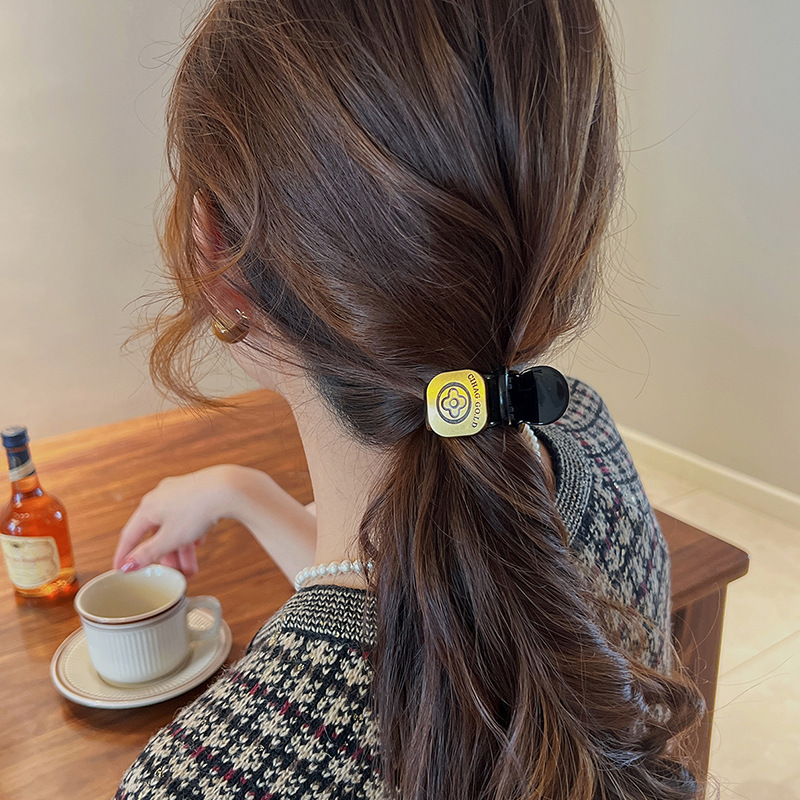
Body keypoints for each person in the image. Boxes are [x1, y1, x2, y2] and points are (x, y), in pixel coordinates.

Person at [112, 0, 705, 798]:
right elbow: (420, 579)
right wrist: (241, 493)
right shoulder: (592, 447)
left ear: (216, 258)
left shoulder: (198, 781)